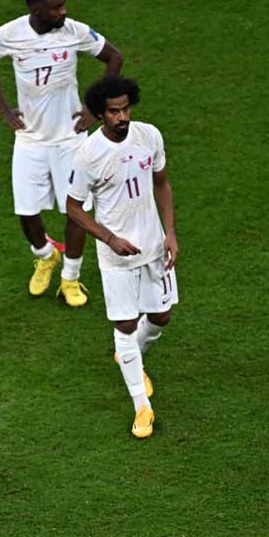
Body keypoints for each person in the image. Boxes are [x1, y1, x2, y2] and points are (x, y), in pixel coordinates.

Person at [0, 0, 123, 306]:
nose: (63, 10)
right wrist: (3, 109)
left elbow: (114, 57)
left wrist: (93, 108)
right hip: (30, 139)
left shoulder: (74, 31)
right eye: (55, 6)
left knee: (75, 211)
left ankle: (70, 279)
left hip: (71, 140)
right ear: (35, 8)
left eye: (63, 3)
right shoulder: (9, 34)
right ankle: (45, 255)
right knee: (26, 212)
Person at [65, 75, 179, 438]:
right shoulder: (88, 155)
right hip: (116, 257)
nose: (122, 117)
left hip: (153, 247)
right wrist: (109, 239)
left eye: (126, 108)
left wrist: (171, 233)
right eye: (114, 111)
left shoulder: (149, 136)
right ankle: (141, 407)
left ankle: (130, 355)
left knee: (161, 316)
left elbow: (162, 183)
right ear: (100, 115)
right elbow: (73, 208)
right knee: (125, 326)